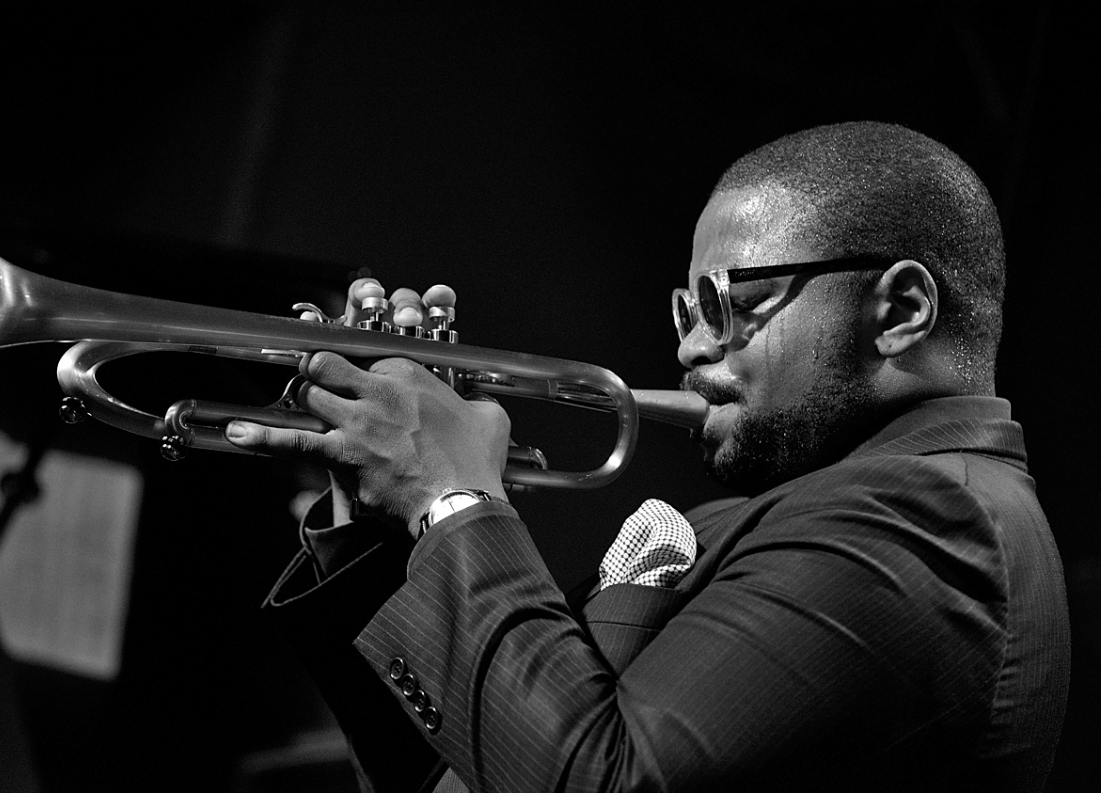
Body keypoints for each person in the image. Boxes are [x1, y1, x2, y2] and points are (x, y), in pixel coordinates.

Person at [225, 121, 1070, 792]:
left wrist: (452, 498)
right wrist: (385, 520)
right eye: (685, 311)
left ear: (901, 309)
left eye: (727, 303)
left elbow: (602, 780)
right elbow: (477, 768)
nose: (692, 349)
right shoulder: (789, 519)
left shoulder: (922, 517)